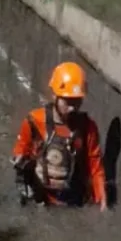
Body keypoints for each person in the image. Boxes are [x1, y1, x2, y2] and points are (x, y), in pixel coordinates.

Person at [11, 62, 108, 211]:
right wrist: (20, 160)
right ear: (54, 96)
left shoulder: (87, 128)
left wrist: (102, 201)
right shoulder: (34, 121)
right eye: (67, 101)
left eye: (77, 102)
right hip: (40, 197)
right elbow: (21, 151)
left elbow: (95, 167)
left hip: (72, 201)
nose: (72, 108)